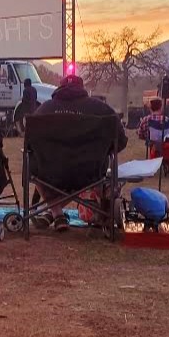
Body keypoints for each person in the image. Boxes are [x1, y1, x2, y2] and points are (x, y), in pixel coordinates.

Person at [32, 74, 128, 231]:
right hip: (91, 173)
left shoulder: (44, 109)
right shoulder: (102, 109)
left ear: (59, 88)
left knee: (32, 166)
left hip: (50, 172)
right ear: (82, 89)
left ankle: (56, 214)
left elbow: (29, 144)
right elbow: (121, 142)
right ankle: (63, 213)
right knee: (79, 169)